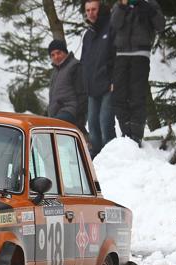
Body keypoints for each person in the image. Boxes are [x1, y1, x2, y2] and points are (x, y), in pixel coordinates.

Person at [111, 0, 165, 146]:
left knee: (137, 95)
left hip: (141, 54)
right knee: (119, 96)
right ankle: (125, 132)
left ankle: (136, 135)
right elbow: (114, 24)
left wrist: (147, 8)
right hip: (121, 54)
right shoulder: (119, 5)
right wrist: (122, 5)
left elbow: (161, 25)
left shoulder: (150, 4)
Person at [81, 0, 116, 158]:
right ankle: (96, 158)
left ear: (100, 9)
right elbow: (85, 62)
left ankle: (111, 156)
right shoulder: (88, 35)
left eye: (93, 9)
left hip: (108, 84)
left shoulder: (111, 27)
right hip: (92, 87)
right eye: (87, 10)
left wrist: (114, 80)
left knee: (105, 122)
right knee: (93, 124)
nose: (90, 13)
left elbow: (118, 56)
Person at [47, 40, 88, 135]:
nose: (56, 57)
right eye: (52, 55)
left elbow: (82, 94)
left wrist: (80, 118)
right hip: (56, 113)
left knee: (51, 128)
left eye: (58, 53)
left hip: (70, 111)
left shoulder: (75, 66)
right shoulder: (55, 72)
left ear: (65, 52)